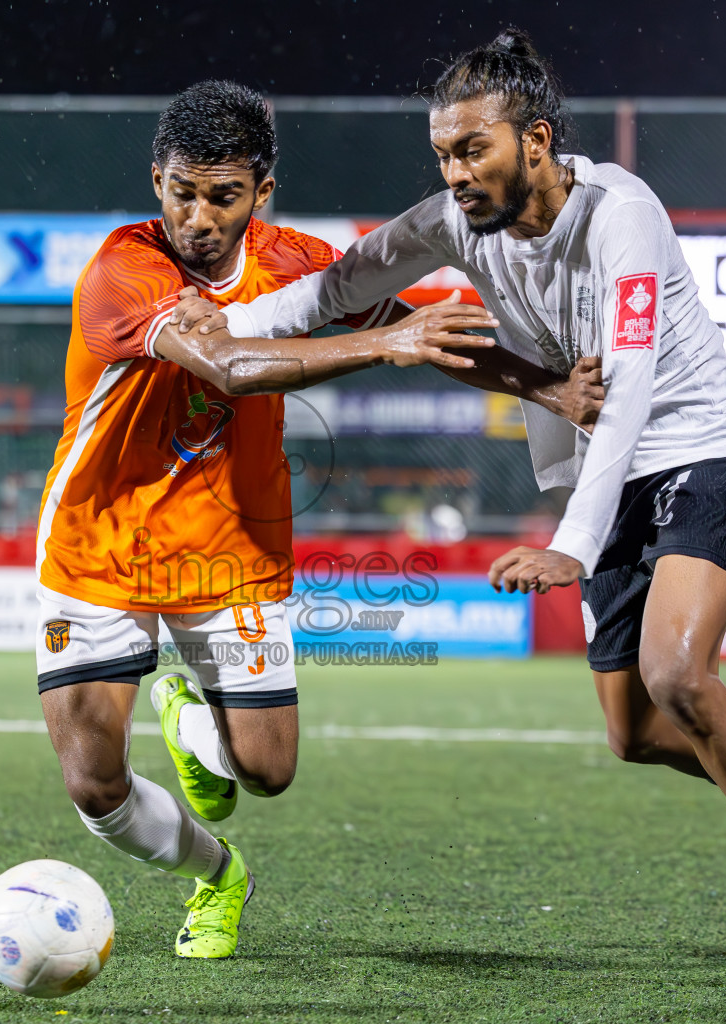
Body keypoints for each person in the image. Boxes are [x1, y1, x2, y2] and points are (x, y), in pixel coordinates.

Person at [171, 32, 726, 996]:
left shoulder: (621, 214)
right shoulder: (455, 221)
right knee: (635, 731)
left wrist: (572, 546)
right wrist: (227, 325)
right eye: (443, 155)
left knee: (680, 675)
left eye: (474, 150)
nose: (455, 173)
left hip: (705, 451)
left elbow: (626, 390)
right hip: (609, 471)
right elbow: (342, 289)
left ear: (537, 141)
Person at [34, 79, 603, 961]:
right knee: (94, 785)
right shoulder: (123, 271)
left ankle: (188, 712)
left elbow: (430, 334)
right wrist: (380, 345)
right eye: (182, 191)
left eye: (222, 196)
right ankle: (215, 874)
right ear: (157, 182)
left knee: (267, 771)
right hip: (99, 543)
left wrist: (549, 387)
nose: (198, 217)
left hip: (232, 551)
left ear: (261, 192)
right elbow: (225, 366)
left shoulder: (299, 262)